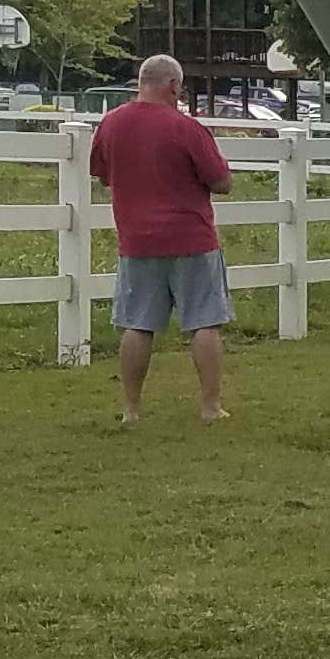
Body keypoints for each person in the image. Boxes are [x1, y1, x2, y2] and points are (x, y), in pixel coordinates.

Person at [89, 53, 237, 426]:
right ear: (173, 85)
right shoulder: (186, 128)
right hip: (191, 238)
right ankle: (210, 406)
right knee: (205, 322)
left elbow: (103, 175)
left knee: (137, 325)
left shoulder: (110, 124)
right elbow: (222, 182)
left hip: (137, 240)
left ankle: (132, 409)